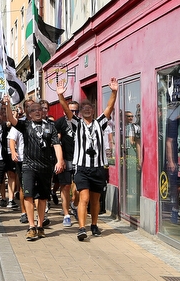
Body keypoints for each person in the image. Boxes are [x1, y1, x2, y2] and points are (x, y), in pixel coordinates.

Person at [57, 79, 118, 240]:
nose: (87, 110)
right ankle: (82, 228)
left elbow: (109, 108)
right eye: (84, 108)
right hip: (82, 167)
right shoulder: (76, 124)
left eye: (89, 108)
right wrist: (60, 95)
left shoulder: (100, 123)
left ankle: (94, 224)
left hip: (98, 167)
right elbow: (66, 110)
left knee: (95, 200)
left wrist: (114, 92)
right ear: (80, 111)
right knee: (83, 198)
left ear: (93, 110)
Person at [6, 96, 64, 241]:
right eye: (34, 110)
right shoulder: (25, 125)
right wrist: (7, 104)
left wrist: (60, 161)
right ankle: (31, 226)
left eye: (39, 110)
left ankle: (40, 226)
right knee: (28, 195)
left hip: (45, 167)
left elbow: (56, 144)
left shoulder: (50, 126)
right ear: (29, 114)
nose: (37, 112)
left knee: (43, 197)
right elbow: (11, 120)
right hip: (28, 166)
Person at [54, 96, 80, 226]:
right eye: (71, 111)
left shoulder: (80, 123)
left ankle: (74, 204)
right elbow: (55, 140)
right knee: (66, 186)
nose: (73, 113)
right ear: (65, 111)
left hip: (79, 159)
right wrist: (59, 159)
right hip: (65, 158)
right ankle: (66, 214)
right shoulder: (59, 123)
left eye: (76, 111)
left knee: (80, 188)